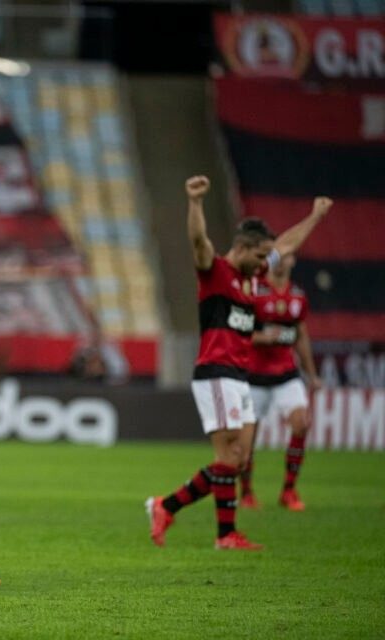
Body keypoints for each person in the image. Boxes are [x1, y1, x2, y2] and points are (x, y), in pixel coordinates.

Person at [145, 175, 331, 550]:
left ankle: (180, 512)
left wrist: (315, 217)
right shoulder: (215, 273)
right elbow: (198, 242)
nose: (266, 263)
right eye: (260, 256)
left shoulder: (253, 273)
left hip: (239, 376)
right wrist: (195, 203)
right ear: (243, 248)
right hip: (215, 374)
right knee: (228, 456)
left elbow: (285, 245)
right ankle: (209, 527)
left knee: (240, 459)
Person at [240, 253, 319, 511]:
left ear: (294, 261)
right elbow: (239, 331)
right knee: (247, 440)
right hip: (254, 375)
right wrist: (264, 338)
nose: (284, 260)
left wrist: (311, 373)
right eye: (279, 256)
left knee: (301, 424)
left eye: (288, 256)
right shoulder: (256, 292)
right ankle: (247, 492)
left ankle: (288, 490)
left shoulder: (298, 296)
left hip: (286, 373)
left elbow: (302, 335)